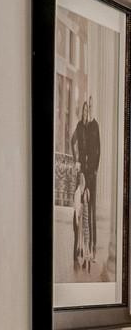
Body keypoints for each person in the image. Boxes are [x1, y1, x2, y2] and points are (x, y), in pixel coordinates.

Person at [76, 97, 103, 269]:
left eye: (89, 109)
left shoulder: (95, 126)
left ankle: (93, 247)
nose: (87, 112)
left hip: (91, 173)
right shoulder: (80, 126)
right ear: (82, 111)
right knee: (81, 209)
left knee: (91, 209)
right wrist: (79, 164)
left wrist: (94, 170)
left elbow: (98, 149)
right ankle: (82, 248)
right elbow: (79, 147)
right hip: (82, 173)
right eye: (85, 110)